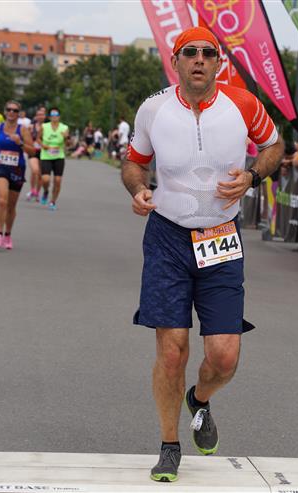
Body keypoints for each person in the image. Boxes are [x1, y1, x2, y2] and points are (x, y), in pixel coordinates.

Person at [121, 26, 283, 483]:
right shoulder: (154, 109)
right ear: (175, 61)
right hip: (167, 238)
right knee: (172, 351)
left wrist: (252, 176)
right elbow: (134, 162)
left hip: (220, 239)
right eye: (189, 52)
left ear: (218, 62)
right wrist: (138, 189)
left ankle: (200, 399)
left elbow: (274, 146)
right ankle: (169, 445)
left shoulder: (242, 104)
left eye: (207, 53)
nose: (198, 59)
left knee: (224, 357)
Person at [0, 100, 34, 249]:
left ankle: (8, 235)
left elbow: (32, 151)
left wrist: (20, 143)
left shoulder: (23, 130)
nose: (11, 112)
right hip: (0, 167)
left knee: (11, 206)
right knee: (2, 200)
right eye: (9, 109)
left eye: (15, 110)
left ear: (18, 114)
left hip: (17, 169)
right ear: (5, 112)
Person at [39, 107, 69, 210]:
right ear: (49, 117)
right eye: (52, 115)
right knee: (45, 179)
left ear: (59, 117)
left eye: (56, 115)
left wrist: (66, 137)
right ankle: (46, 191)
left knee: (58, 180)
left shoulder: (64, 128)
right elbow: (38, 139)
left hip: (59, 156)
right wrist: (43, 145)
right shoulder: (44, 126)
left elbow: (68, 144)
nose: (54, 117)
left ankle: (53, 201)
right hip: (46, 155)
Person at [25, 108, 45, 202]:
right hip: (33, 151)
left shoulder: (48, 127)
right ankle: (32, 190)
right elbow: (26, 138)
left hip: (44, 152)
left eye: (42, 115)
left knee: (40, 174)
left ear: (45, 116)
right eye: (38, 115)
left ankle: (37, 192)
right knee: (35, 170)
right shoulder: (31, 127)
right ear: (36, 117)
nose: (40, 116)